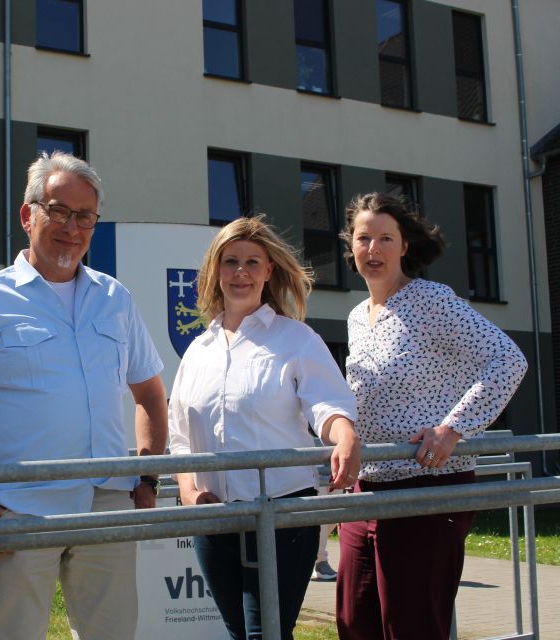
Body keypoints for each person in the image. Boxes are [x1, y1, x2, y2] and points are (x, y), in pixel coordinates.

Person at [0, 151, 168, 640]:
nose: (72, 227)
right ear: (28, 215)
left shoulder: (115, 299)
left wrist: (148, 479)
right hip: (17, 510)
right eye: (59, 211)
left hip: (107, 505)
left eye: (85, 216)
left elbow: (151, 397)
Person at [335, 192, 527, 640]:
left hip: (427, 486)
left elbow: (508, 360)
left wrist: (453, 429)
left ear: (405, 246)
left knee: (412, 626)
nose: (373, 249)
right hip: (367, 489)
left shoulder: (430, 300)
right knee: (354, 622)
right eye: (363, 238)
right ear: (351, 246)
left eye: (386, 238)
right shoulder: (357, 317)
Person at [168, 216, 361, 640]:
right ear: (215, 270)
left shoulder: (296, 339)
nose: (241, 272)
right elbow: (180, 435)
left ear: (268, 271)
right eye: (230, 261)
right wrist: (188, 490)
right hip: (214, 517)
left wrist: (344, 435)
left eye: (252, 262)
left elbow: (328, 405)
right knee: (239, 633)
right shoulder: (198, 350)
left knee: (266, 634)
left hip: (282, 513)